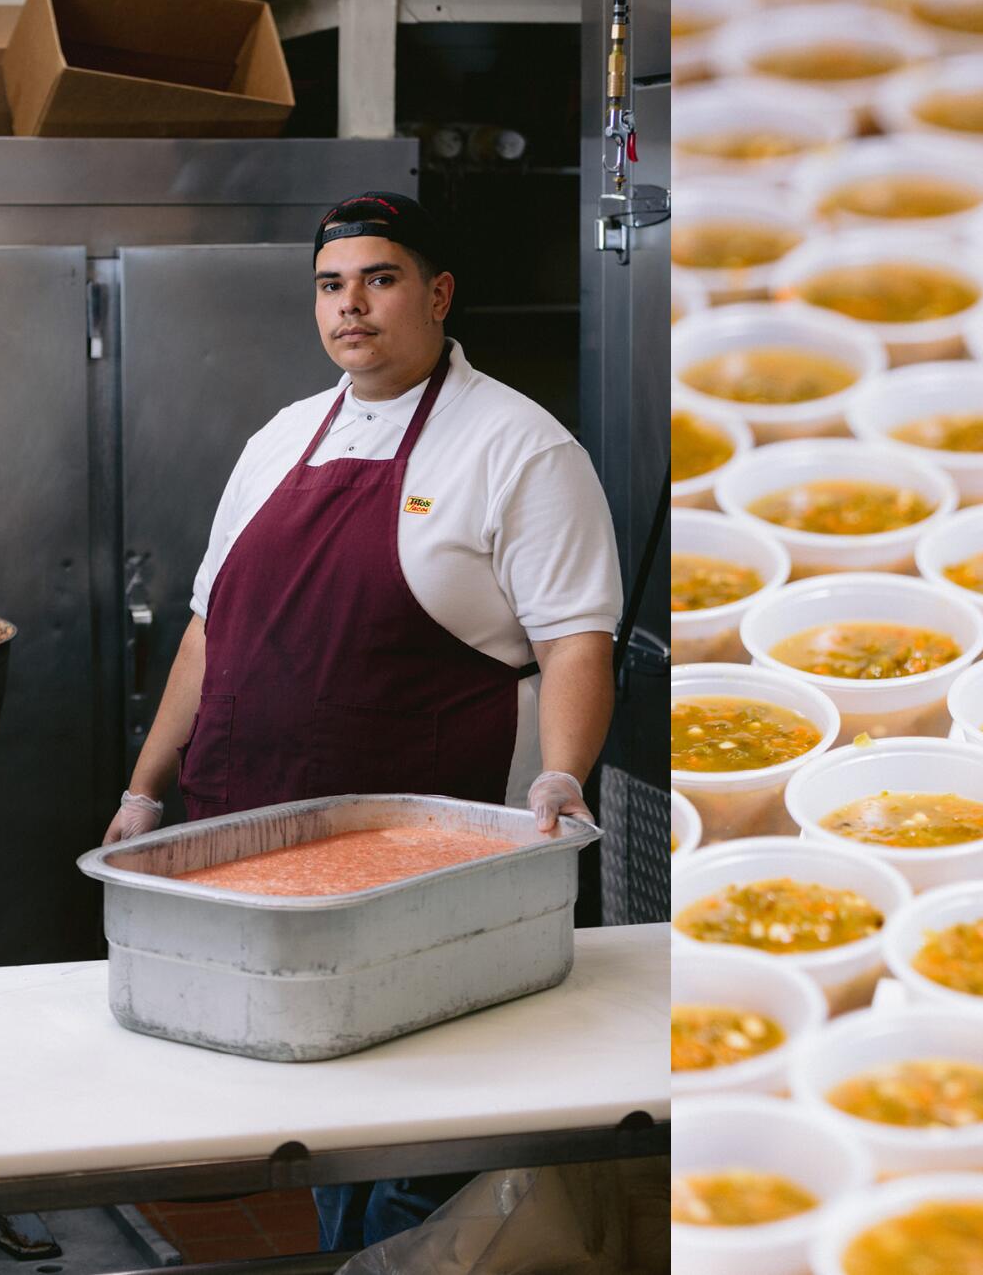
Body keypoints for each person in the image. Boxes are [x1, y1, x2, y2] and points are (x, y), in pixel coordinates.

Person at [101, 191, 621, 1251]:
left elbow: (576, 639)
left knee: (419, 1128)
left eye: (379, 280)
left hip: (419, 869)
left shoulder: (518, 447)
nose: (352, 307)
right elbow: (210, 632)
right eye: (331, 286)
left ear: (435, 294)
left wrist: (563, 776)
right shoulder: (280, 438)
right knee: (310, 1116)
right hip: (256, 848)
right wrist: (142, 790)